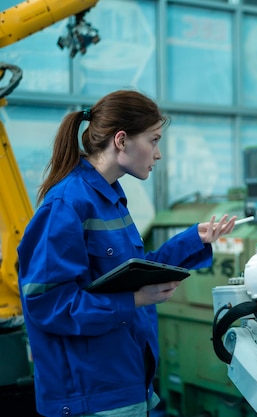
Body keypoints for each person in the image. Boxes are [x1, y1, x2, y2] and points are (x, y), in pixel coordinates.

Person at [17, 90, 237, 417]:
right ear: (121, 140)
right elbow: (48, 305)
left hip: (128, 382)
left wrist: (195, 239)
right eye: (154, 140)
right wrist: (133, 300)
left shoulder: (110, 200)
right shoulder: (67, 205)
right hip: (90, 396)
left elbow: (134, 271)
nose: (158, 154)